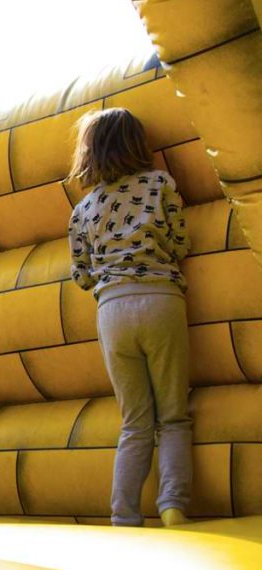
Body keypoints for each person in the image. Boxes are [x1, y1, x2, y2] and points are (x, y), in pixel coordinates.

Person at [67, 107, 193, 528]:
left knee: (135, 421)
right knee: (173, 414)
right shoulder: (160, 184)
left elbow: (82, 275)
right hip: (160, 299)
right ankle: (173, 504)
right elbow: (179, 242)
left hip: (113, 310)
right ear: (138, 144)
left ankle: (124, 517)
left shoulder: (83, 210)